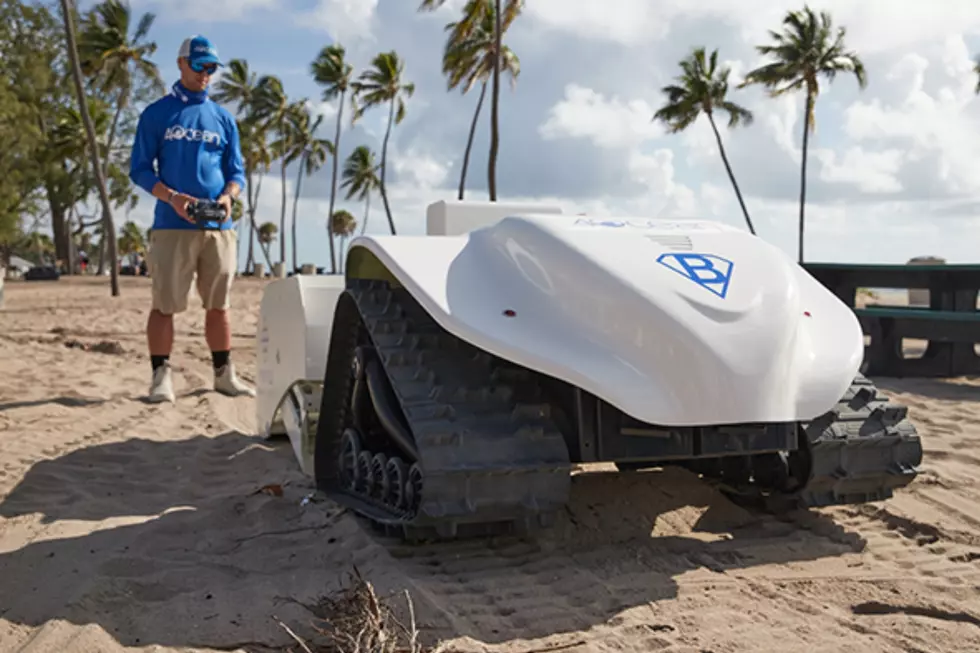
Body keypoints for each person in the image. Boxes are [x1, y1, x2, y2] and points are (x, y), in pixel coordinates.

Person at [129, 35, 254, 403]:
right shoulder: (156, 114)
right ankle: (160, 377)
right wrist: (172, 198)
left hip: (218, 227)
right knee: (165, 304)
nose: (205, 74)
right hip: (172, 226)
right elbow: (139, 170)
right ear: (182, 63)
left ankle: (224, 374)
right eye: (199, 66)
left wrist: (228, 197)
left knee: (219, 305)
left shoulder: (223, 119)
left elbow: (238, 172)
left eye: (212, 68)